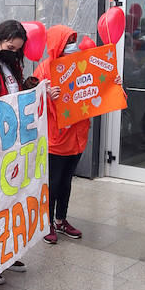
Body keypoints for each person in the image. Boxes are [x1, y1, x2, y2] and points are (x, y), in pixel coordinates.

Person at [35, 25, 91, 245]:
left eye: (74, 39)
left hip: (77, 136)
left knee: (67, 182)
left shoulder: (80, 63)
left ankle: (61, 219)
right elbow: (31, 99)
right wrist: (47, 94)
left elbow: (95, 88)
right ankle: (47, 222)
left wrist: (112, 85)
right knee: (53, 182)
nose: (72, 45)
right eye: (68, 40)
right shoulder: (44, 69)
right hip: (56, 139)